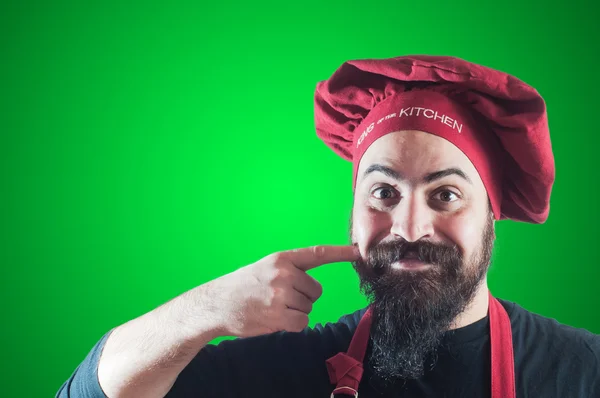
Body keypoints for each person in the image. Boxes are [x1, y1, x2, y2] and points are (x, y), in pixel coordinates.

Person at [56, 55, 600, 398]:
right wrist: (210, 309)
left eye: (446, 194)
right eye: (384, 193)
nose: (409, 227)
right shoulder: (289, 365)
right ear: (354, 211)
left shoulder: (582, 369)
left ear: (492, 216)